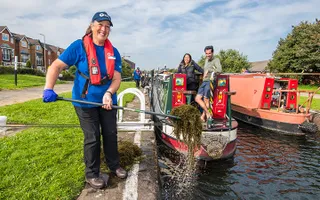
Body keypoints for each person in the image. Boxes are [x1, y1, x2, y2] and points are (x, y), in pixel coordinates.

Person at [42, 11, 127, 189]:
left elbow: (117, 79)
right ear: (92, 25)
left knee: (110, 133)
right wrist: (48, 88)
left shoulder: (114, 52)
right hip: (84, 102)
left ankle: (114, 165)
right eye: (100, 25)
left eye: (107, 26)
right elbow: (56, 66)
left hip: (108, 101)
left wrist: (109, 93)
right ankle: (92, 173)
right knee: (93, 136)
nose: (104, 29)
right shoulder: (78, 46)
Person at [195, 45, 222, 122]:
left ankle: (203, 116)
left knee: (206, 99)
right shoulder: (206, 60)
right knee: (197, 98)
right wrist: (203, 76)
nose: (208, 55)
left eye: (209, 53)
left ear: (212, 53)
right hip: (205, 81)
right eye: (206, 53)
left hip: (210, 81)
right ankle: (207, 114)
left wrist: (209, 71)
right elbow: (205, 70)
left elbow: (219, 70)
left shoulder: (216, 60)